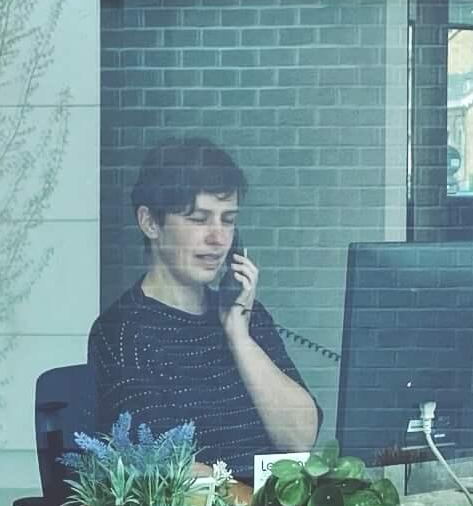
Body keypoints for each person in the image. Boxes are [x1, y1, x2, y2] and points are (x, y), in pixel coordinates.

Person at [87, 138, 322, 475]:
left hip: (272, 503)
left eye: (228, 220)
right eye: (199, 219)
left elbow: (300, 438)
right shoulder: (122, 333)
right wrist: (256, 502)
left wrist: (238, 335)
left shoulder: (245, 314)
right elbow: (165, 466)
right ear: (150, 223)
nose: (218, 238)